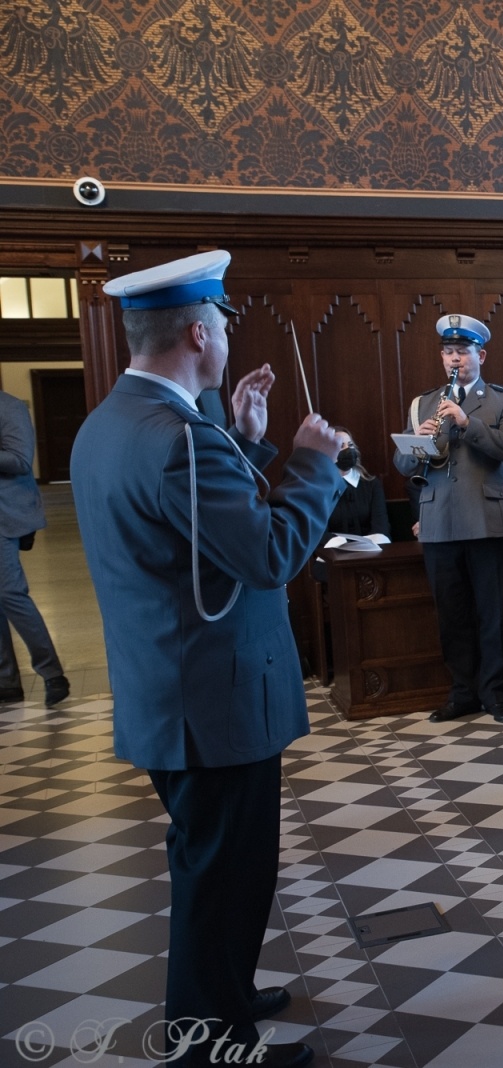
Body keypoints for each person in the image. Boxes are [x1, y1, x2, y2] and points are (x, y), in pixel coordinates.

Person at [71, 250, 341, 1068]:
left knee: (213, 867)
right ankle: (209, 1043)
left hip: (171, 690)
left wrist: (245, 445)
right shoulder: (182, 438)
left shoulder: (115, 422)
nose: (226, 333)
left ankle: (221, 995)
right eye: (222, 321)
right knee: (222, 878)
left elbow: (191, 532)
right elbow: (266, 557)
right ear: (198, 332)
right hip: (214, 702)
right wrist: (314, 463)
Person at [394, 314, 503, 726]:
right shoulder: (423, 403)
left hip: (486, 518)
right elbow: (401, 462)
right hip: (439, 521)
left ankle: (497, 694)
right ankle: (463, 692)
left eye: (462, 352)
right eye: (448, 352)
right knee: (452, 615)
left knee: (493, 613)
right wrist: (420, 443)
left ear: (480, 355)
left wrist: (468, 424)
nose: (455, 360)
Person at [0, 389, 69, 707]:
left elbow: (19, 460)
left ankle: (53, 674)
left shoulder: (9, 407)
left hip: (6, 515)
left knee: (10, 593)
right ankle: (7, 682)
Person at [320, 426, 390, 546]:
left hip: (370, 554)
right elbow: (319, 533)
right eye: (341, 446)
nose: (348, 450)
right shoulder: (320, 489)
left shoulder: (371, 484)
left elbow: (381, 527)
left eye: (350, 445)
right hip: (333, 556)